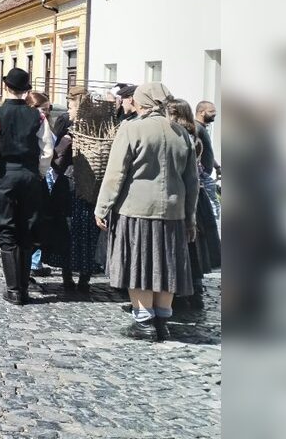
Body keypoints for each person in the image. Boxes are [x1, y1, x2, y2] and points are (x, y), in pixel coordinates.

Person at [94, 82, 197, 342]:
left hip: (136, 209)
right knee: (166, 264)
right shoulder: (181, 133)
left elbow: (116, 173)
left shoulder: (132, 129)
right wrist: (190, 217)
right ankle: (163, 320)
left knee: (138, 263)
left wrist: (102, 207)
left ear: (142, 103)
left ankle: (143, 322)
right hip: (173, 212)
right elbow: (192, 181)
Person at [0, 68, 54, 305]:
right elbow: (47, 150)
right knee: (27, 231)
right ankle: (23, 287)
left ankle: (14, 290)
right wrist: (39, 174)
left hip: (6, 176)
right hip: (30, 176)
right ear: (27, 89)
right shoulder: (38, 117)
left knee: (7, 232)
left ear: (6, 87)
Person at [41, 86, 99, 292]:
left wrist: (59, 153)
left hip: (71, 183)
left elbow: (57, 159)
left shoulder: (69, 126)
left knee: (67, 231)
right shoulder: (99, 124)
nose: (69, 110)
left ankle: (68, 278)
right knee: (87, 233)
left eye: (71, 106)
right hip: (91, 186)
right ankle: (84, 278)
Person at [168, 98, 221, 311]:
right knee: (193, 246)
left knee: (186, 245)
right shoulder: (192, 134)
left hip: (186, 197)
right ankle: (193, 290)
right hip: (194, 196)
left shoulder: (183, 137)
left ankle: (184, 292)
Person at [23, 91, 56, 280]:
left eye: (48, 109)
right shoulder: (37, 125)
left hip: (41, 177)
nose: (47, 113)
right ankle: (30, 265)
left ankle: (31, 264)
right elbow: (47, 152)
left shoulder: (44, 123)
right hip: (38, 177)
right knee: (32, 224)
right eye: (43, 109)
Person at [195, 100, 221, 220]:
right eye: (211, 111)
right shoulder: (196, 128)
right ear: (201, 112)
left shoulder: (204, 128)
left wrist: (217, 166)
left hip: (205, 173)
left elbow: (206, 152)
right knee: (213, 206)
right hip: (201, 175)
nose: (214, 114)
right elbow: (195, 151)